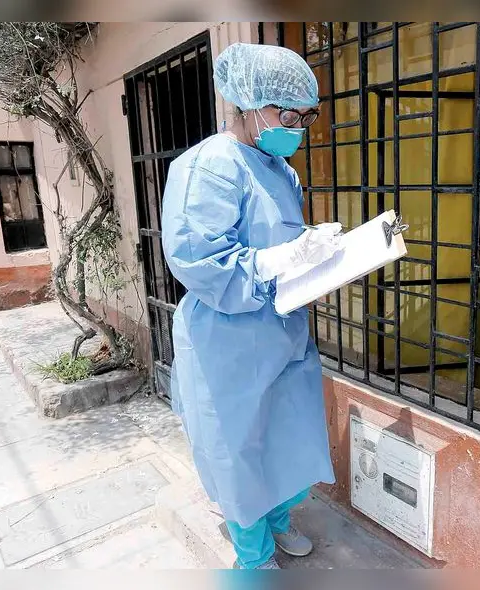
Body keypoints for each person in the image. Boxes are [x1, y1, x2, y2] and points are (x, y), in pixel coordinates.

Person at [161, 43, 342, 570]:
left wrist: (316, 253)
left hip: (282, 332)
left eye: (308, 116)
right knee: (236, 445)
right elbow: (200, 261)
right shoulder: (208, 165)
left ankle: (279, 521)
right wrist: (281, 259)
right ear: (248, 104)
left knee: (285, 431)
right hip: (228, 340)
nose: (300, 126)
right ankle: (253, 553)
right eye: (289, 114)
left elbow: (273, 240)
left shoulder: (279, 168)